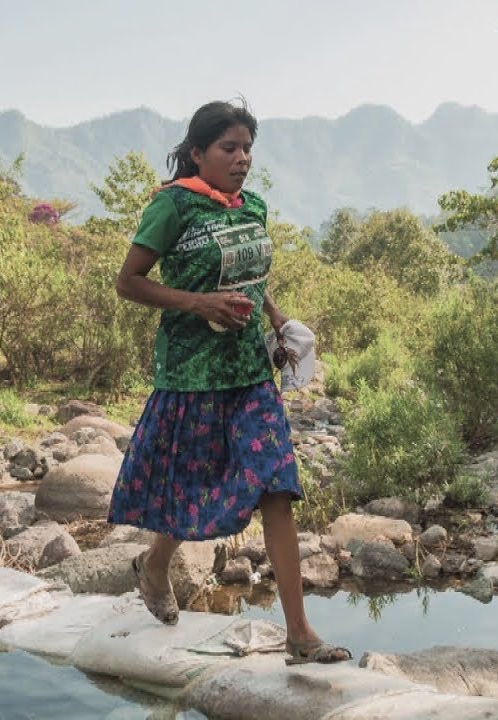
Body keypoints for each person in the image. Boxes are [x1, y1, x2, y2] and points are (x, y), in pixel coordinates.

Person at [109, 99, 351, 665]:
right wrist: (198, 302)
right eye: (229, 148)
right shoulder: (171, 208)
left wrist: (279, 322)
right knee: (194, 491)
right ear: (198, 153)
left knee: (276, 487)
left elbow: (252, 278)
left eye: (247, 149)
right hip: (192, 377)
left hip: (249, 376)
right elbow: (129, 282)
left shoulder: (253, 207)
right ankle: (155, 564)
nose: (242, 159)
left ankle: (299, 634)